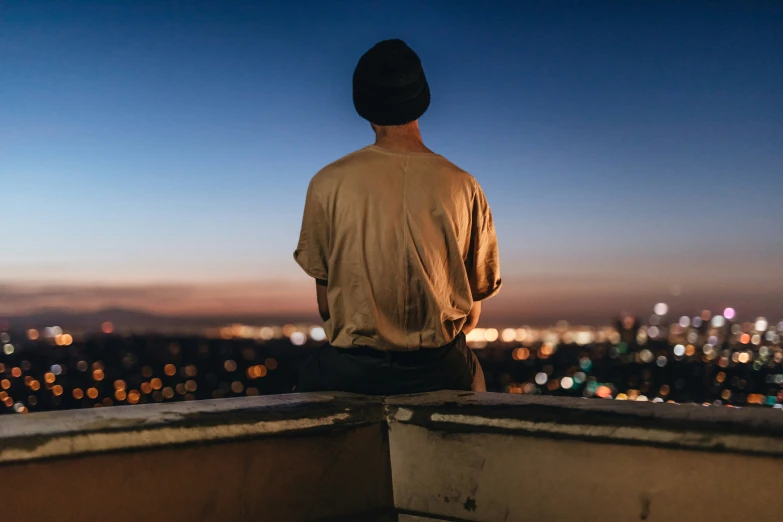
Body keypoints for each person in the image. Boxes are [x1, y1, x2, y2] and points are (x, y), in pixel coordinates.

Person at [294, 39, 501, 395]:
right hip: (442, 369)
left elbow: (324, 304)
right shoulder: (464, 186)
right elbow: (473, 312)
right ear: (422, 100)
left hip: (352, 371)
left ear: (364, 106)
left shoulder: (327, 183)